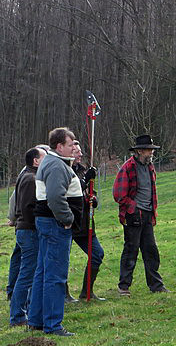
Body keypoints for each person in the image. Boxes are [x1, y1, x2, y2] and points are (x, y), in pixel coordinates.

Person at [28, 128, 82, 336]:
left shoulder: (52, 162)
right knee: (55, 275)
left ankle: (36, 319)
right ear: (59, 146)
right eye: (70, 145)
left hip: (48, 223)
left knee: (43, 271)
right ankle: (52, 324)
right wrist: (68, 219)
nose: (73, 148)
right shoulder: (57, 165)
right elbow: (55, 198)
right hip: (55, 225)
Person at [113, 134, 168, 296]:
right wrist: (134, 208)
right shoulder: (128, 168)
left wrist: (151, 211)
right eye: (149, 150)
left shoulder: (149, 167)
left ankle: (156, 285)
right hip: (133, 215)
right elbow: (118, 195)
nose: (151, 153)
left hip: (147, 214)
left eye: (152, 150)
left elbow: (152, 191)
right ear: (139, 151)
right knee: (131, 250)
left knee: (151, 250)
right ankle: (124, 286)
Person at [9, 147, 45, 327]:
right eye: (44, 158)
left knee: (28, 272)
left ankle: (26, 312)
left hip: (25, 229)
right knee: (27, 274)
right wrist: (38, 225)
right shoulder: (31, 179)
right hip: (29, 230)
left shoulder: (29, 176)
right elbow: (28, 207)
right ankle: (17, 316)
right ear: (36, 161)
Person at [70, 141, 105, 301]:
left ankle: (87, 292)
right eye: (77, 151)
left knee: (97, 254)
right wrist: (85, 179)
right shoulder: (65, 171)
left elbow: (87, 191)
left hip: (85, 223)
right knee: (62, 260)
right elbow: (72, 190)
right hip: (69, 223)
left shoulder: (83, 170)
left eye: (80, 151)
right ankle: (63, 295)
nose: (80, 154)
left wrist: (93, 198)